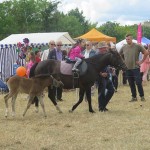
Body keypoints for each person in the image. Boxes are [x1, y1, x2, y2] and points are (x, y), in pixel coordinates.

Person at [120, 34, 148, 102]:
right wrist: (123, 62)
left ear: (132, 39)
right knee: (131, 83)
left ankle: (142, 96)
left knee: (138, 82)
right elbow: (119, 54)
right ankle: (134, 97)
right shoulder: (124, 47)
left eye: (128, 39)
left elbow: (146, 53)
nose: (127, 40)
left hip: (135, 68)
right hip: (127, 68)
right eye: (126, 39)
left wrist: (141, 61)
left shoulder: (137, 46)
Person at [96, 42, 115, 112]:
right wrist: (100, 73)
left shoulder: (106, 55)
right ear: (100, 49)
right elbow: (94, 67)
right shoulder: (97, 56)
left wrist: (110, 69)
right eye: (104, 48)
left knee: (111, 90)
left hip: (106, 76)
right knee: (102, 92)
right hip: (100, 77)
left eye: (106, 47)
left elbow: (106, 65)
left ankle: (103, 105)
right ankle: (101, 108)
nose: (105, 49)